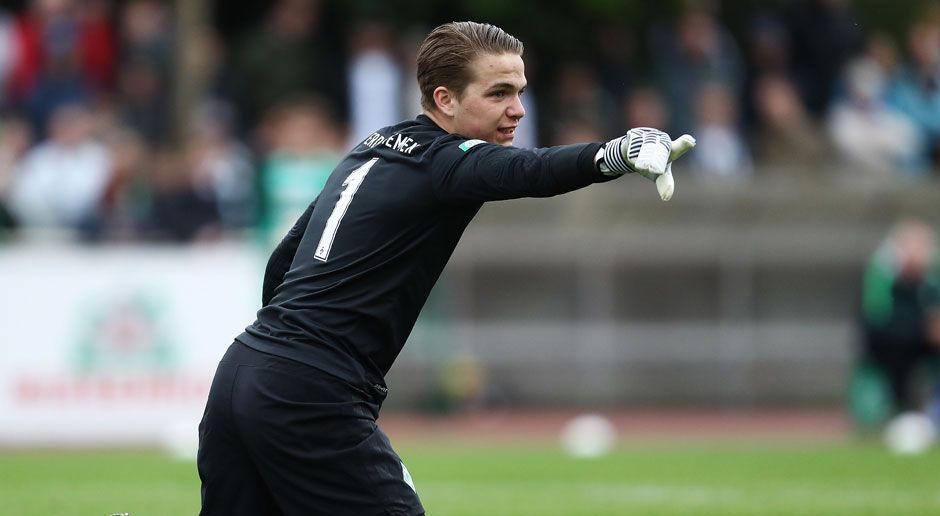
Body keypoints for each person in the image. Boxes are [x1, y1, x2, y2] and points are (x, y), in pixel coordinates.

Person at [197, 21, 695, 516]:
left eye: (520, 92)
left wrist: (279, 355)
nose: (517, 109)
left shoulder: (375, 144)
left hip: (243, 369)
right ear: (446, 100)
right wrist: (616, 154)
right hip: (309, 394)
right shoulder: (446, 160)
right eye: (499, 93)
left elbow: (285, 259)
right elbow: (528, 170)